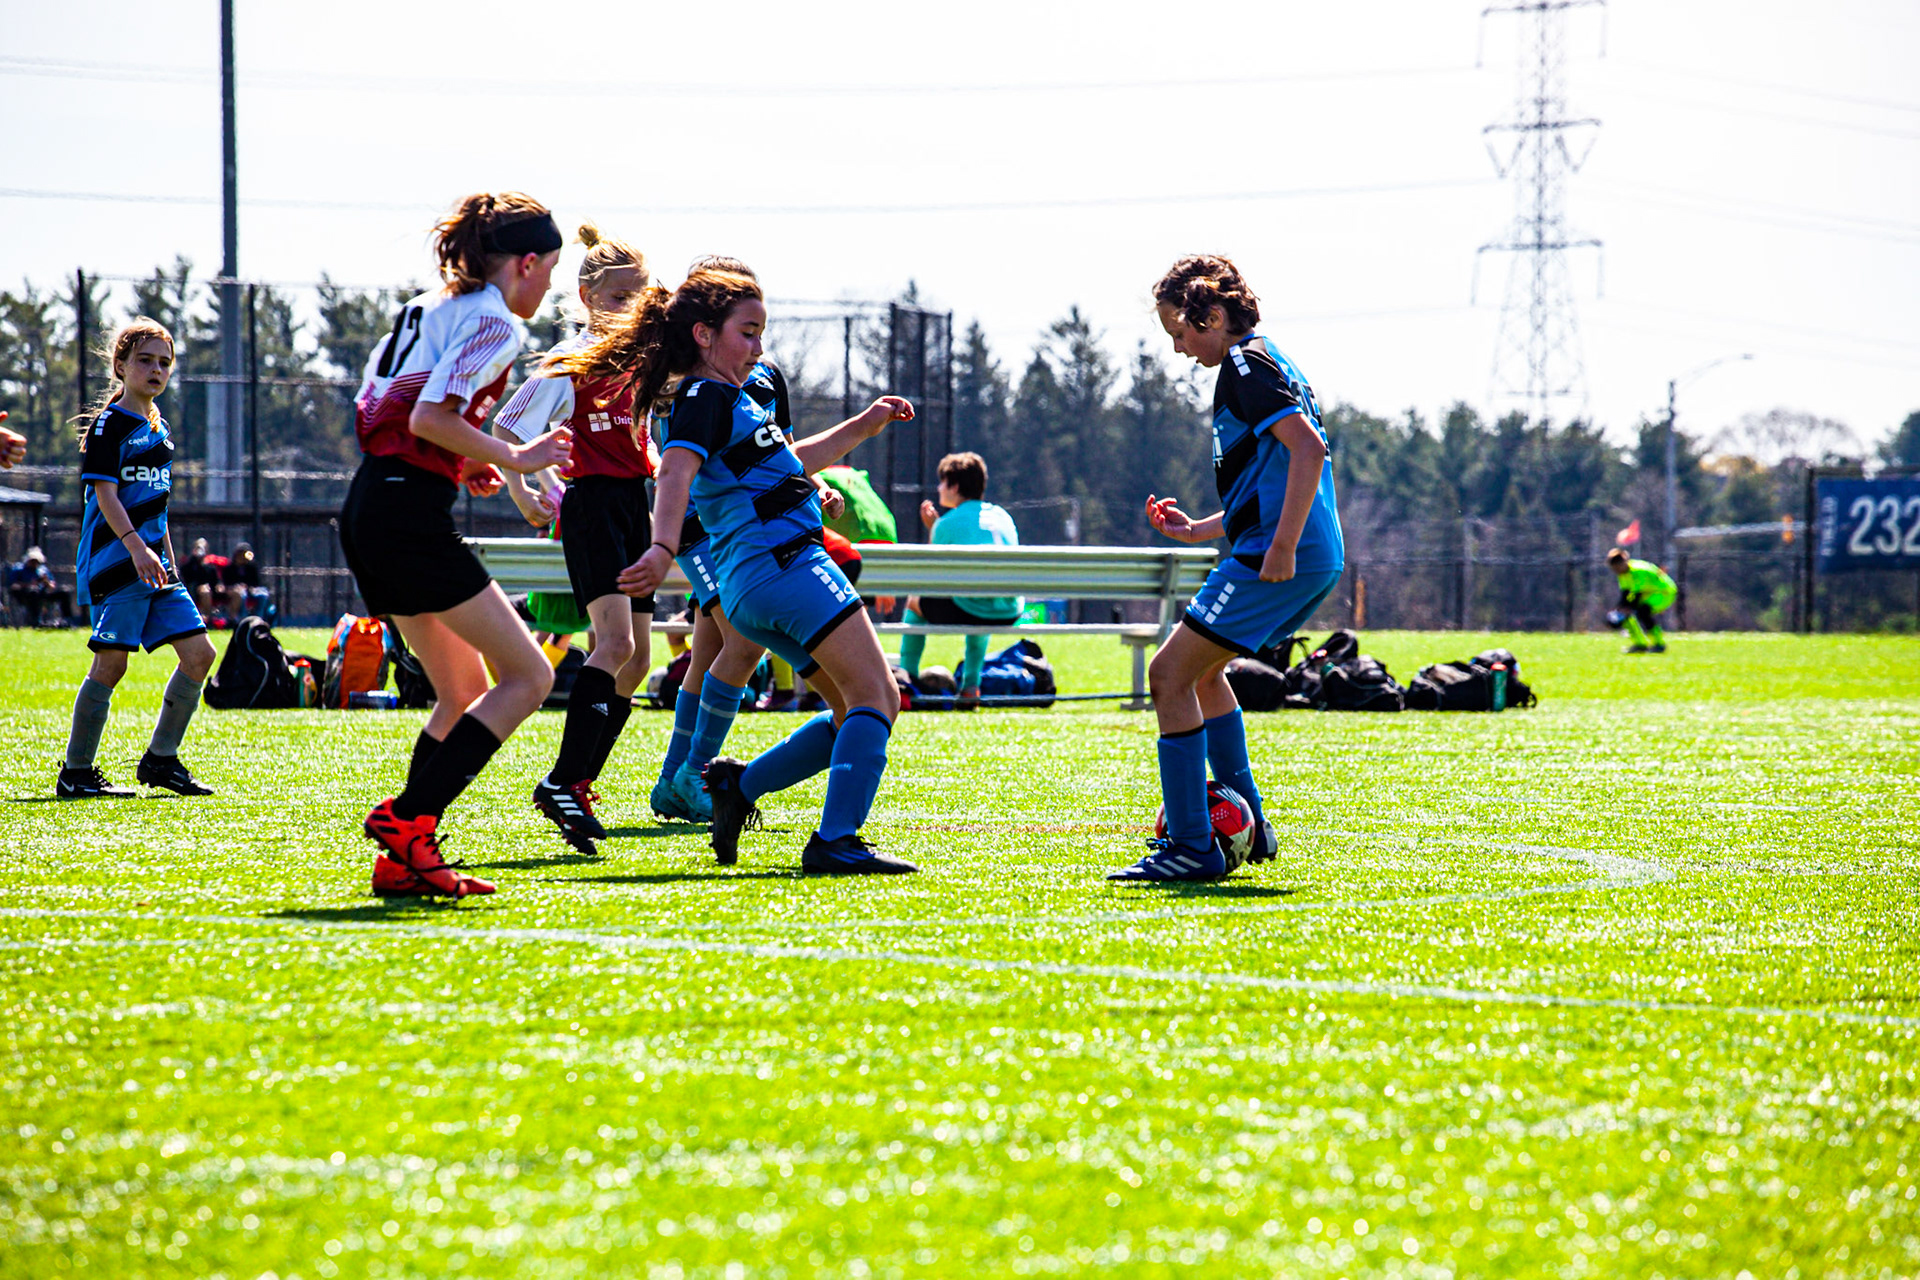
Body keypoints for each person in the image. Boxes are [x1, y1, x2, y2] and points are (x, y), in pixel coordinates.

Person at [559, 267, 919, 874]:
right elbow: (675, 472)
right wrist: (661, 547)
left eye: (760, 332)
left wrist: (866, 422)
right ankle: (835, 841)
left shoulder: (724, 399)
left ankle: (736, 787)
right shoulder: (706, 397)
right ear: (703, 334)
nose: (758, 346)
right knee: (879, 696)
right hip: (786, 568)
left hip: (758, 582)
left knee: (848, 708)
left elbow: (791, 462)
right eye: (747, 332)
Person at [340, 191, 573, 899]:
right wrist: (519, 456)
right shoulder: (495, 320)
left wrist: (464, 460)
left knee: (462, 690)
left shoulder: (429, 305)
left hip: (375, 502)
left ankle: (404, 860)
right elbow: (429, 418)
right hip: (408, 515)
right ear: (525, 263)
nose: (549, 287)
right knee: (528, 677)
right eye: (550, 271)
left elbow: (387, 415)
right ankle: (409, 819)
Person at [1117, 254, 1343, 882]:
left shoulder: (1245, 364)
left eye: (1181, 332)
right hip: (1301, 551)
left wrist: (1281, 546)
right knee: (1204, 675)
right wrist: (1198, 530)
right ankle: (1254, 830)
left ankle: (1192, 844)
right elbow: (1270, 479)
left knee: (1168, 676)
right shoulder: (1270, 360)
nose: (1180, 348)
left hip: (1280, 553)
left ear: (1212, 316)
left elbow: (1309, 451)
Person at [490, 221, 654, 853]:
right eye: (618, 298)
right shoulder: (570, 360)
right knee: (614, 643)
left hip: (633, 506)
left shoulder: (642, 358)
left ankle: (577, 781)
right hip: (592, 507)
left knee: (638, 659)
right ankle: (563, 780)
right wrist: (521, 489)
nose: (629, 309)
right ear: (587, 298)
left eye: (638, 297)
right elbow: (507, 429)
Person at [58, 318, 218, 800]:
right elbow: (105, 495)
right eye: (145, 360)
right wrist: (134, 546)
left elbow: (157, 507)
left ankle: (160, 760)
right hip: (117, 561)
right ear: (121, 366)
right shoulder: (110, 425)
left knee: (200, 655)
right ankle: (76, 772)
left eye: (164, 363)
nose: (156, 370)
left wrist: (167, 561)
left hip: (154, 565)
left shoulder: (160, 430)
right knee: (112, 664)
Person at [900, 451, 1021, 709]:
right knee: (979, 597)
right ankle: (970, 687)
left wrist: (934, 529)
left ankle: (905, 683)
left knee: (914, 601)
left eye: (942, 482)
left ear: (954, 487)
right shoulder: (1003, 516)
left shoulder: (947, 523)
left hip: (972, 607)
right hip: (1009, 610)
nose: (939, 488)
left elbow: (931, 575)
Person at [1605, 547, 1676, 653]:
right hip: (1649, 593)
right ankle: (1640, 644)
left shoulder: (1638, 570)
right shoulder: (1623, 574)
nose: (1615, 571)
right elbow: (1626, 594)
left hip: (1664, 592)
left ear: (1622, 563)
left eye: (1616, 568)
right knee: (1625, 614)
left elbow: (1638, 593)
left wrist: (1626, 609)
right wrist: (1618, 609)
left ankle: (1659, 644)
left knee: (1643, 612)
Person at [9, 547, 73, 626]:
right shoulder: (19, 569)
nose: (34, 563)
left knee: (64, 592)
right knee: (33, 591)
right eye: (32, 561)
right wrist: (29, 584)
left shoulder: (43, 570)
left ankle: (67, 620)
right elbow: (13, 585)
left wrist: (46, 582)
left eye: (37, 561)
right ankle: (35, 621)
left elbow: (52, 586)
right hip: (26, 595)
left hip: (43, 593)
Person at [180, 537, 225, 622]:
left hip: (209, 591)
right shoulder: (189, 565)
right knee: (204, 592)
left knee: (206, 591)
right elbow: (186, 579)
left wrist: (219, 586)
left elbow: (215, 582)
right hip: (192, 590)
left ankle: (209, 618)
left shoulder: (210, 567)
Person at [225, 542, 271, 619]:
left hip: (251, 590)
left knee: (263, 594)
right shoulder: (229, 568)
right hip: (238, 590)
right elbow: (227, 582)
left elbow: (256, 582)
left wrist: (250, 587)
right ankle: (243, 618)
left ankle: (258, 617)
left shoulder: (252, 566)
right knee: (243, 595)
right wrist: (238, 586)